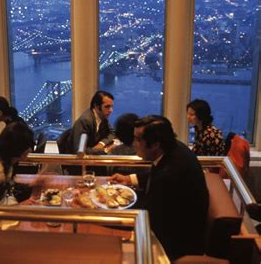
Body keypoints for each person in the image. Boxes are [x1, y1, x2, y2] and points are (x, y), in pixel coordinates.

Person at [108, 115, 208, 261]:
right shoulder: (174, 148)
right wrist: (129, 179)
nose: (134, 143)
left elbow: (148, 216)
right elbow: (156, 173)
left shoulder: (171, 174)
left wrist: (105, 214)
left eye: (138, 139)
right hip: (173, 227)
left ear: (155, 144)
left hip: (175, 245)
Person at [57, 91, 115, 155]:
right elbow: (80, 150)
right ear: (96, 106)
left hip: (91, 160)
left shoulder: (102, 117)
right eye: (107, 107)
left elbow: (112, 133)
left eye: (111, 106)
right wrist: (104, 150)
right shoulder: (85, 121)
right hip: (78, 163)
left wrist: (101, 143)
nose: (111, 110)